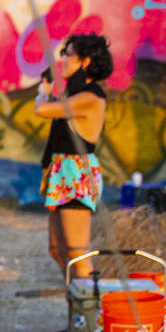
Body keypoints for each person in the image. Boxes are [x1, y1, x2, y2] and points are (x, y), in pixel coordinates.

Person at [34, 33, 113, 287]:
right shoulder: (74, 94)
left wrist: (43, 93)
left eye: (69, 54)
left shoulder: (90, 97)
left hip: (77, 174)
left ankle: (89, 320)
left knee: (78, 252)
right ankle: (77, 312)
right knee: (58, 250)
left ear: (86, 61)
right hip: (61, 171)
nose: (63, 59)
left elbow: (42, 110)